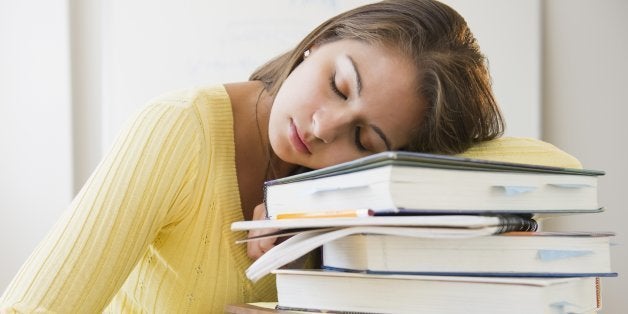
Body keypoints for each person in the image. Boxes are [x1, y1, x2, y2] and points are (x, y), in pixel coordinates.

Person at [0, 0, 581, 313]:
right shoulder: (177, 129)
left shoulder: (351, 195)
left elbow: (559, 169)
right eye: (338, 84)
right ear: (319, 42)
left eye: (366, 140)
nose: (324, 129)